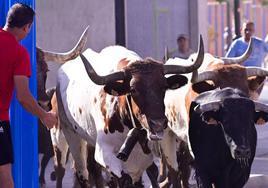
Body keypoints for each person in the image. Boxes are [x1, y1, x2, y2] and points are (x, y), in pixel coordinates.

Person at [0, 3, 57, 188]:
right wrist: (45, 115)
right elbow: (23, 96)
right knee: (4, 175)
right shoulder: (19, 54)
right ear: (27, 27)